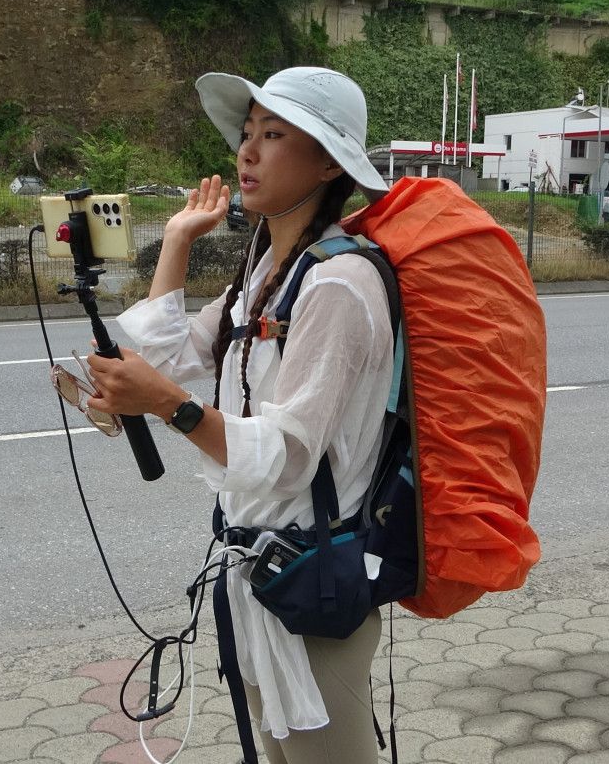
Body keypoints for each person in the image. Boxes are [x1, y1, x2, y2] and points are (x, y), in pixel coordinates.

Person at [84, 67, 393, 764]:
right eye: (247, 132)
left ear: (328, 162)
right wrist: (178, 240)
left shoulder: (339, 283)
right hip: (260, 579)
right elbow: (172, 357)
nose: (246, 151)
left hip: (314, 593)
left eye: (273, 135)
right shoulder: (266, 276)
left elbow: (287, 456)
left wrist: (163, 403)